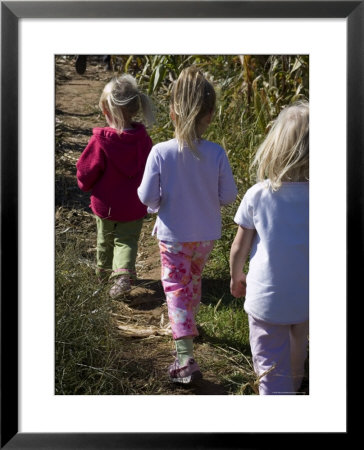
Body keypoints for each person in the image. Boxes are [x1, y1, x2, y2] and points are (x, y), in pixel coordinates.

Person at [138, 66, 237, 384]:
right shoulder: (216, 153)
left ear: (172, 112)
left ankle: (185, 360)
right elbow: (228, 197)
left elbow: (146, 196)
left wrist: (158, 202)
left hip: (173, 237)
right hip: (205, 236)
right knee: (192, 283)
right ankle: (188, 325)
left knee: (176, 291)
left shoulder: (160, 153)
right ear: (210, 114)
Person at [230, 101, 309, 395]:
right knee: (297, 347)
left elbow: (239, 246)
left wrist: (236, 276)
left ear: (274, 146)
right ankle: (293, 387)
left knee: (268, 362)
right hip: (305, 295)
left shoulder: (259, 194)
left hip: (266, 298)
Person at [76, 74, 155, 298]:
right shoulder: (143, 140)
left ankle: (102, 277)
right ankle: (122, 276)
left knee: (105, 240)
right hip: (133, 205)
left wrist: (84, 184)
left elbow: (86, 171)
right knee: (127, 241)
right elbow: (151, 170)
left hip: (106, 204)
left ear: (105, 110)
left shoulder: (101, 141)